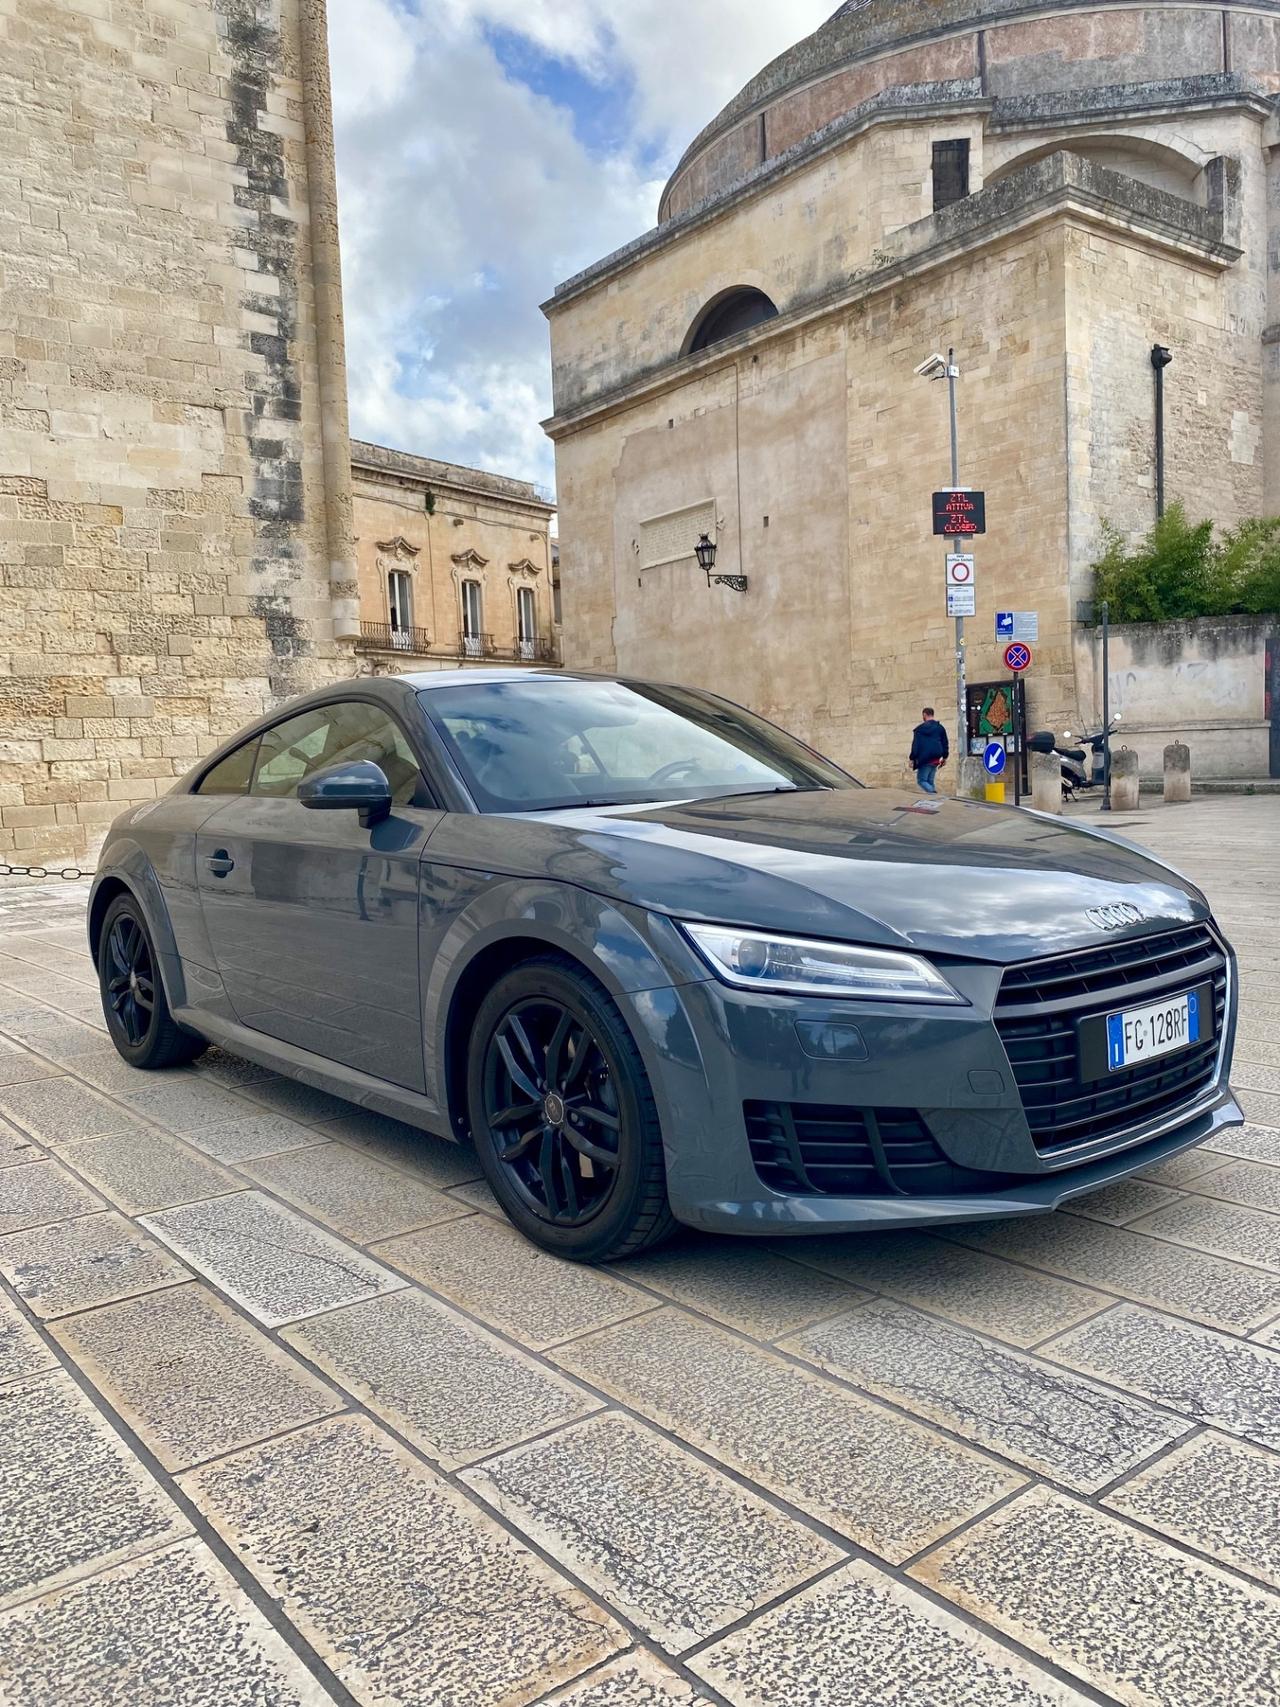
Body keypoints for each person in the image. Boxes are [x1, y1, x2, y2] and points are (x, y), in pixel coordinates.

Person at [909, 707, 949, 793]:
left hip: (924, 759)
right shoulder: (940, 728)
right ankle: (933, 802)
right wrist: (945, 757)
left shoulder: (919, 730)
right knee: (930, 782)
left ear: (924, 715)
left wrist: (912, 758)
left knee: (921, 780)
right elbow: (945, 743)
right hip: (936, 758)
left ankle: (934, 794)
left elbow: (915, 745)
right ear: (932, 714)